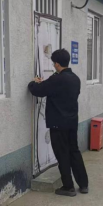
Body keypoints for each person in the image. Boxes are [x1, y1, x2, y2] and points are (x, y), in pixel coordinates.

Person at [28, 49, 89, 197]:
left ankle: (68, 187)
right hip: (72, 122)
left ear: (56, 64)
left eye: (53, 63)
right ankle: (83, 184)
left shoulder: (57, 79)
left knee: (62, 154)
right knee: (74, 151)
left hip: (58, 123)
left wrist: (33, 83)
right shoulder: (75, 78)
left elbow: (38, 90)